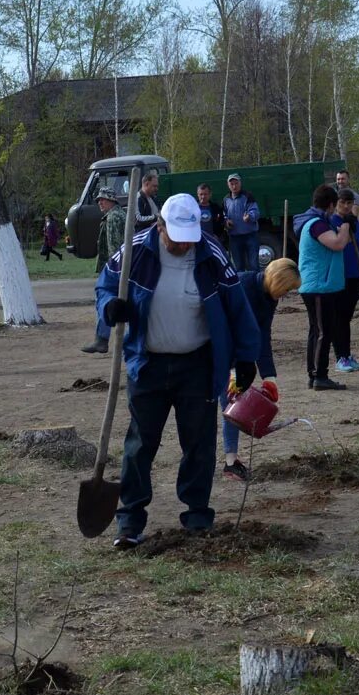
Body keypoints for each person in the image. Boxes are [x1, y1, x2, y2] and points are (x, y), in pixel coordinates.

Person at [97, 193, 259, 549]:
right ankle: (130, 523)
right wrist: (111, 308)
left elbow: (237, 304)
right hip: (148, 362)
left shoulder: (210, 252)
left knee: (199, 444)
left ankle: (198, 516)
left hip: (197, 364)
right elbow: (105, 287)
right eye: (177, 238)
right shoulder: (135, 249)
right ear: (160, 227)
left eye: (190, 239)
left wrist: (247, 356)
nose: (185, 245)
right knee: (140, 445)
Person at [221, 257, 299, 481]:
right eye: (286, 289)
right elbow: (229, 329)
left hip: (238, 359)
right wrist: (234, 370)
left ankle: (230, 462)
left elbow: (262, 336)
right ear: (277, 280)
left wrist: (269, 377)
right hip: (219, 353)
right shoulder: (242, 287)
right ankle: (228, 462)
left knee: (232, 404)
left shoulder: (269, 298)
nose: (285, 295)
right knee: (228, 404)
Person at [295, 183, 356, 390]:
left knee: (318, 331)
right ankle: (320, 375)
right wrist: (346, 225)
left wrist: (347, 228)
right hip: (318, 286)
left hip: (322, 285)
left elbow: (341, 242)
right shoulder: (316, 224)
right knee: (323, 332)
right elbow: (338, 244)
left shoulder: (321, 223)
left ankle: (315, 374)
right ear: (330, 204)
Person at [81, 190, 125, 354]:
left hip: (115, 268)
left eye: (103, 200)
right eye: (99, 200)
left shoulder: (113, 217)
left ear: (111, 200)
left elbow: (115, 247)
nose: (100, 203)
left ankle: (102, 340)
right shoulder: (119, 214)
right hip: (121, 266)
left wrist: (113, 270)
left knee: (104, 300)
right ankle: (102, 340)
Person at [332, 189, 359, 372]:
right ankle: (340, 357)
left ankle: (347, 355)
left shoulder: (354, 223)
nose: (346, 206)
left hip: (354, 275)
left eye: (349, 203)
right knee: (339, 318)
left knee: (346, 318)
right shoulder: (332, 223)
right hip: (339, 276)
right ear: (336, 203)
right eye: (342, 202)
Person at [222, 173, 261, 273]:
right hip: (234, 237)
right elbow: (224, 214)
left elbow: (256, 212)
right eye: (232, 184)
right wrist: (226, 221)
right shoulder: (226, 199)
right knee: (238, 266)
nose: (234, 186)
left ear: (240, 183)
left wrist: (249, 216)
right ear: (228, 185)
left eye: (236, 183)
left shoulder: (248, 196)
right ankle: (242, 287)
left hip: (250, 235)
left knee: (253, 265)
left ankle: (255, 287)